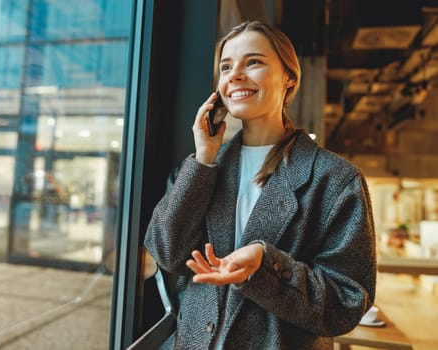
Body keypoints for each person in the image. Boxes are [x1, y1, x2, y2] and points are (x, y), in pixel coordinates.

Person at [144, 20, 376, 350]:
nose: (235, 75)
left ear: (289, 78)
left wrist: (266, 266)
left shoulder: (336, 179)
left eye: (253, 62)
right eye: (226, 67)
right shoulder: (199, 168)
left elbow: (348, 302)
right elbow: (166, 253)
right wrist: (203, 159)